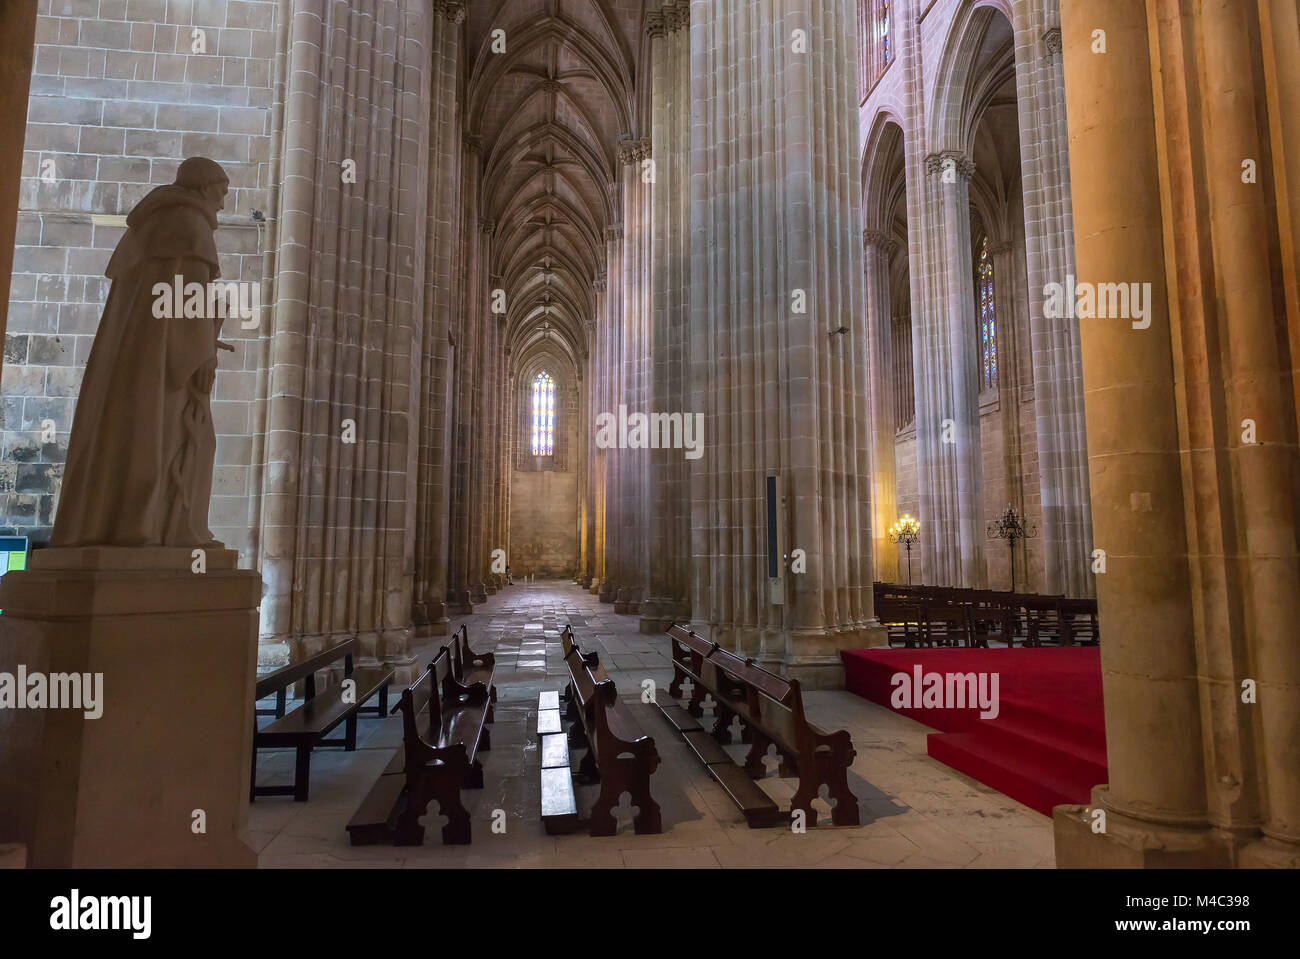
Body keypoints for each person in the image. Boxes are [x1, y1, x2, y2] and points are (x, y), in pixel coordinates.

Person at [51, 157, 231, 549]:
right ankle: (159, 531)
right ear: (203, 189)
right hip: (166, 371)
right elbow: (188, 304)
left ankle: (114, 526)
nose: (223, 204)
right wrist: (203, 354)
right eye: (222, 192)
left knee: (125, 436)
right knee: (182, 438)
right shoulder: (191, 228)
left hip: (133, 364)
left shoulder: (150, 227)